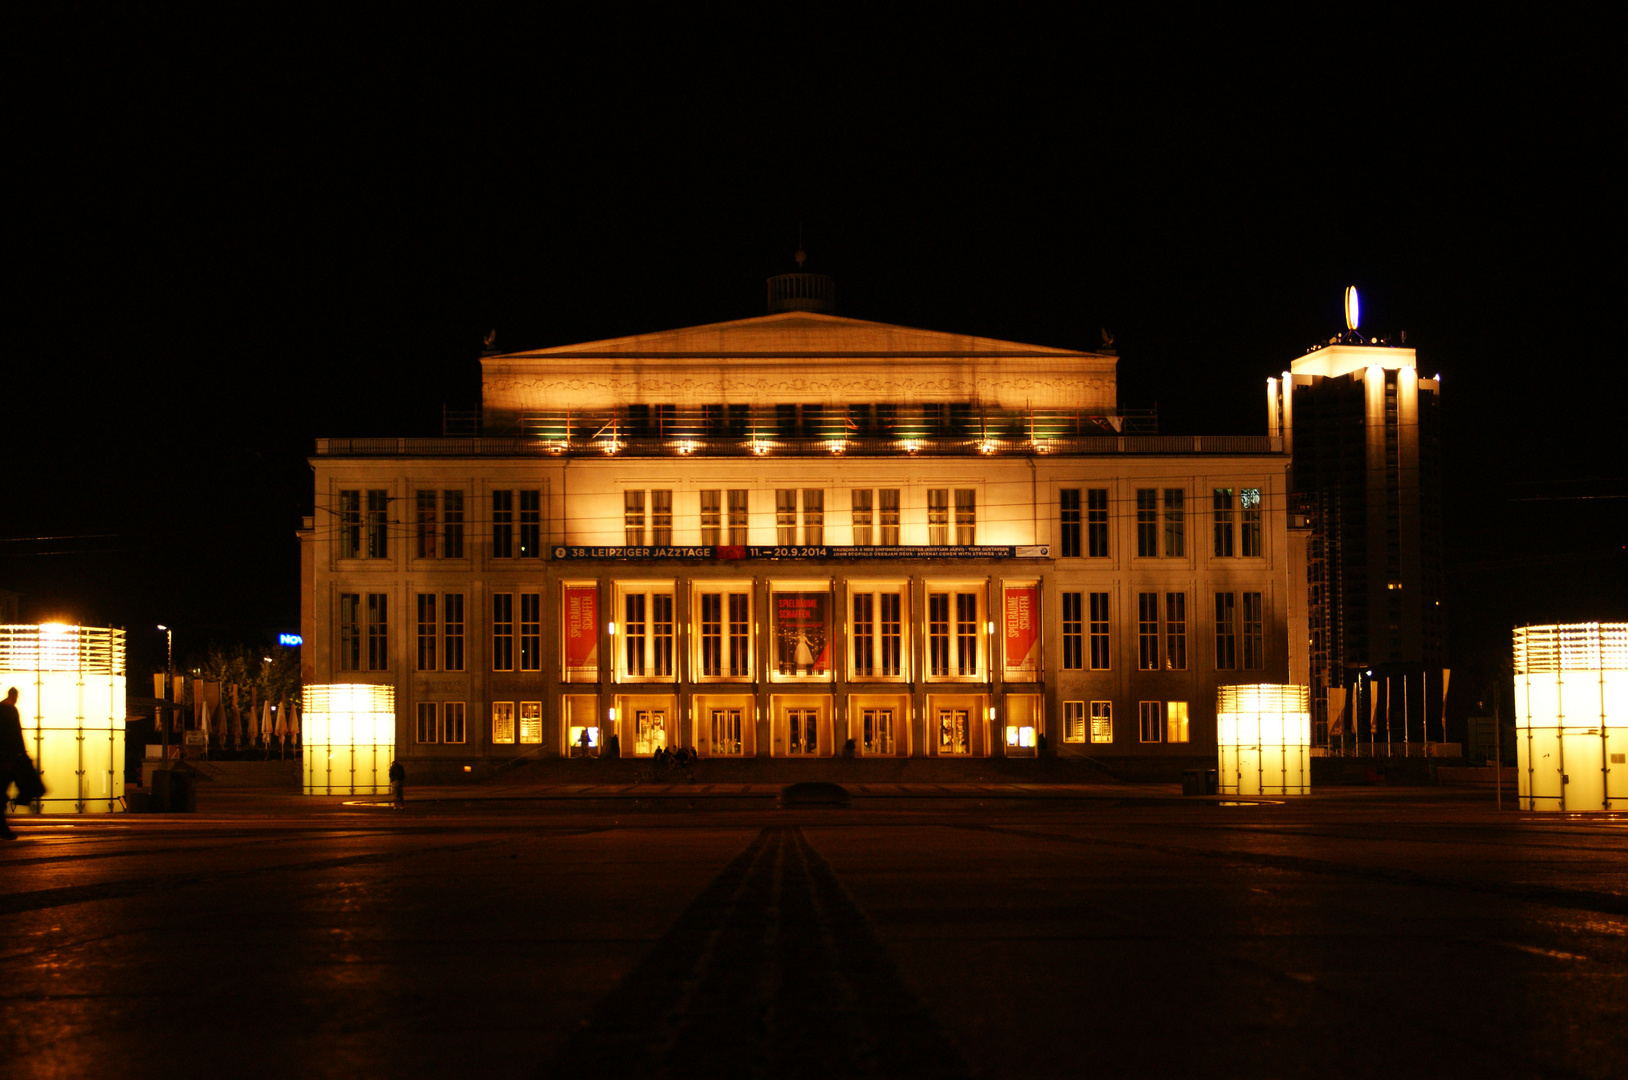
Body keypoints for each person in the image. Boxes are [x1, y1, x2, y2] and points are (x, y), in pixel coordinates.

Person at [2, 687, 34, 840]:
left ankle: (3, 828)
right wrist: (21, 754)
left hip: (7, 758)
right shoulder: (10, 711)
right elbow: (16, 734)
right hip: (9, 759)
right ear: (13, 696)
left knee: (1, 792)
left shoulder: (6, 709)